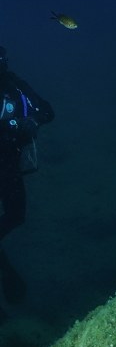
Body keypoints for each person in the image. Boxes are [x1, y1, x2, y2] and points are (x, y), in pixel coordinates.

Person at [0, 46, 55, 303]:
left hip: (8, 165)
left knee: (16, 215)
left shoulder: (14, 85)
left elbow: (46, 110)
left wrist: (31, 122)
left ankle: (7, 272)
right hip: (8, 164)